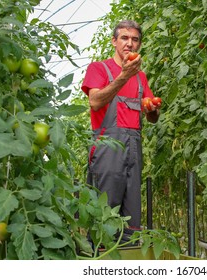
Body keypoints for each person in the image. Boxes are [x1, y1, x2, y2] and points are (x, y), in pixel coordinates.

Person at [81, 20, 161, 242]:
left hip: (133, 148)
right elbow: (95, 101)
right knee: (105, 207)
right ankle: (99, 255)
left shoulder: (141, 77)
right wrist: (124, 75)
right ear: (114, 41)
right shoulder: (99, 69)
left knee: (132, 211)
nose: (130, 43)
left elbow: (152, 118)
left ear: (139, 45)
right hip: (107, 146)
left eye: (135, 39)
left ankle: (128, 258)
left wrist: (153, 110)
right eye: (124, 38)